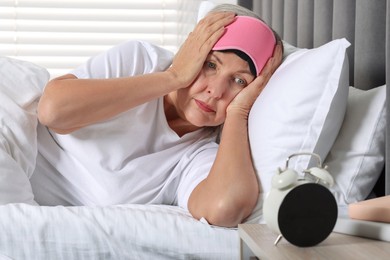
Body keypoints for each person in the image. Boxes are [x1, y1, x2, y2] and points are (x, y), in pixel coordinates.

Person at [31, 4, 283, 227]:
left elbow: (226, 209)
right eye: (210, 65)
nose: (215, 91)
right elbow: (52, 111)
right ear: (191, 52)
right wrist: (174, 77)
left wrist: (238, 113)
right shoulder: (140, 61)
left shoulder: (197, 156)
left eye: (239, 81)